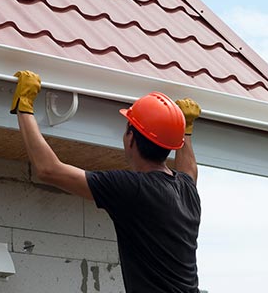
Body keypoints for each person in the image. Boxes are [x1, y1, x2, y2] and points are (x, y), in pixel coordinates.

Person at [11, 70, 202, 293]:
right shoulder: (186, 191)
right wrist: (186, 129)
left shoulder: (134, 189)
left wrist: (24, 106)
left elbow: (49, 170)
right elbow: (189, 170)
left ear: (131, 137)